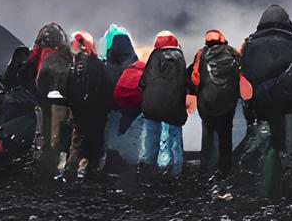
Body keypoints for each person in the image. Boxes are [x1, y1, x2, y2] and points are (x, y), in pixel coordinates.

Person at [239, 4, 292, 199]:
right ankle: (279, 189)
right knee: (284, 147)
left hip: (258, 105)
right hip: (288, 106)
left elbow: (241, 73)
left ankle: (260, 187)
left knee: (262, 145)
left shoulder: (249, 45)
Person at [189, 27, 243, 191]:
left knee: (208, 135)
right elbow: (241, 74)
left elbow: (195, 78)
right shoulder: (232, 53)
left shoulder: (201, 54)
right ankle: (225, 168)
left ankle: (206, 168)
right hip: (227, 103)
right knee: (225, 136)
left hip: (207, 103)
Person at [138, 29, 190, 179]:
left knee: (152, 136)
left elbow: (145, 80)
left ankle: (150, 167)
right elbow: (183, 81)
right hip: (174, 104)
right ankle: (177, 169)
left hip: (153, 103)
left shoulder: (155, 56)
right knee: (175, 136)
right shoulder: (180, 57)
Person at [63, 29, 113, 181]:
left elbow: (69, 88)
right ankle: (89, 172)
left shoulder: (72, 65)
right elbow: (105, 89)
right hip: (97, 111)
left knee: (78, 141)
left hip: (79, 110)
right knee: (95, 142)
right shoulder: (98, 65)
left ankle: (70, 171)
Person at [29, 21, 75, 176]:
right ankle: (62, 162)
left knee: (47, 130)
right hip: (65, 101)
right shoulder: (69, 57)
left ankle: (47, 163)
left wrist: (41, 93)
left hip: (47, 100)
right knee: (62, 131)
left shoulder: (46, 56)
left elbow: (38, 79)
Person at [103, 27, 146, 170]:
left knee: (110, 136)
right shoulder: (134, 64)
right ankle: (130, 167)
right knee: (130, 138)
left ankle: (110, 163)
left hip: (110, 107)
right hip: (131, 108)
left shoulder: (106, 65)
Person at [0, 46, 40, 159]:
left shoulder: (41, 65)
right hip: (21, 102)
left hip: (30, 103)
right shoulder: (23, 65)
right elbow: (7, 81)